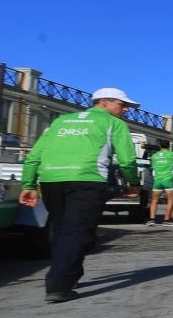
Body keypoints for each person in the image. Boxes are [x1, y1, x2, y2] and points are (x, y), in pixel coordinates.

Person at [19, 87, 141, 302]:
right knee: (78, 232)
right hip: (87, 180)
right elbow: (127, 159)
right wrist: (133, 182)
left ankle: (70, 274)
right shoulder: (114, 124)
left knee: (61, 229)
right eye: (122, 105)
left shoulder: (61, 121)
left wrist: (28, 184)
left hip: (51, 180)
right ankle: (59, 285)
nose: (125, 110)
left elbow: (34, 155)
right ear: (104, 102)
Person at [146, 139, 173, 226]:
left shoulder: (154, 155)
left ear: (159, 146)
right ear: (169, 145)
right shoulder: (172, 154)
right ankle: (166, 220)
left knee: (154, 200)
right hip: (168, 180)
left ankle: (151, 220)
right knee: (170, 201)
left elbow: (152, 166)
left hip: (157, 180)